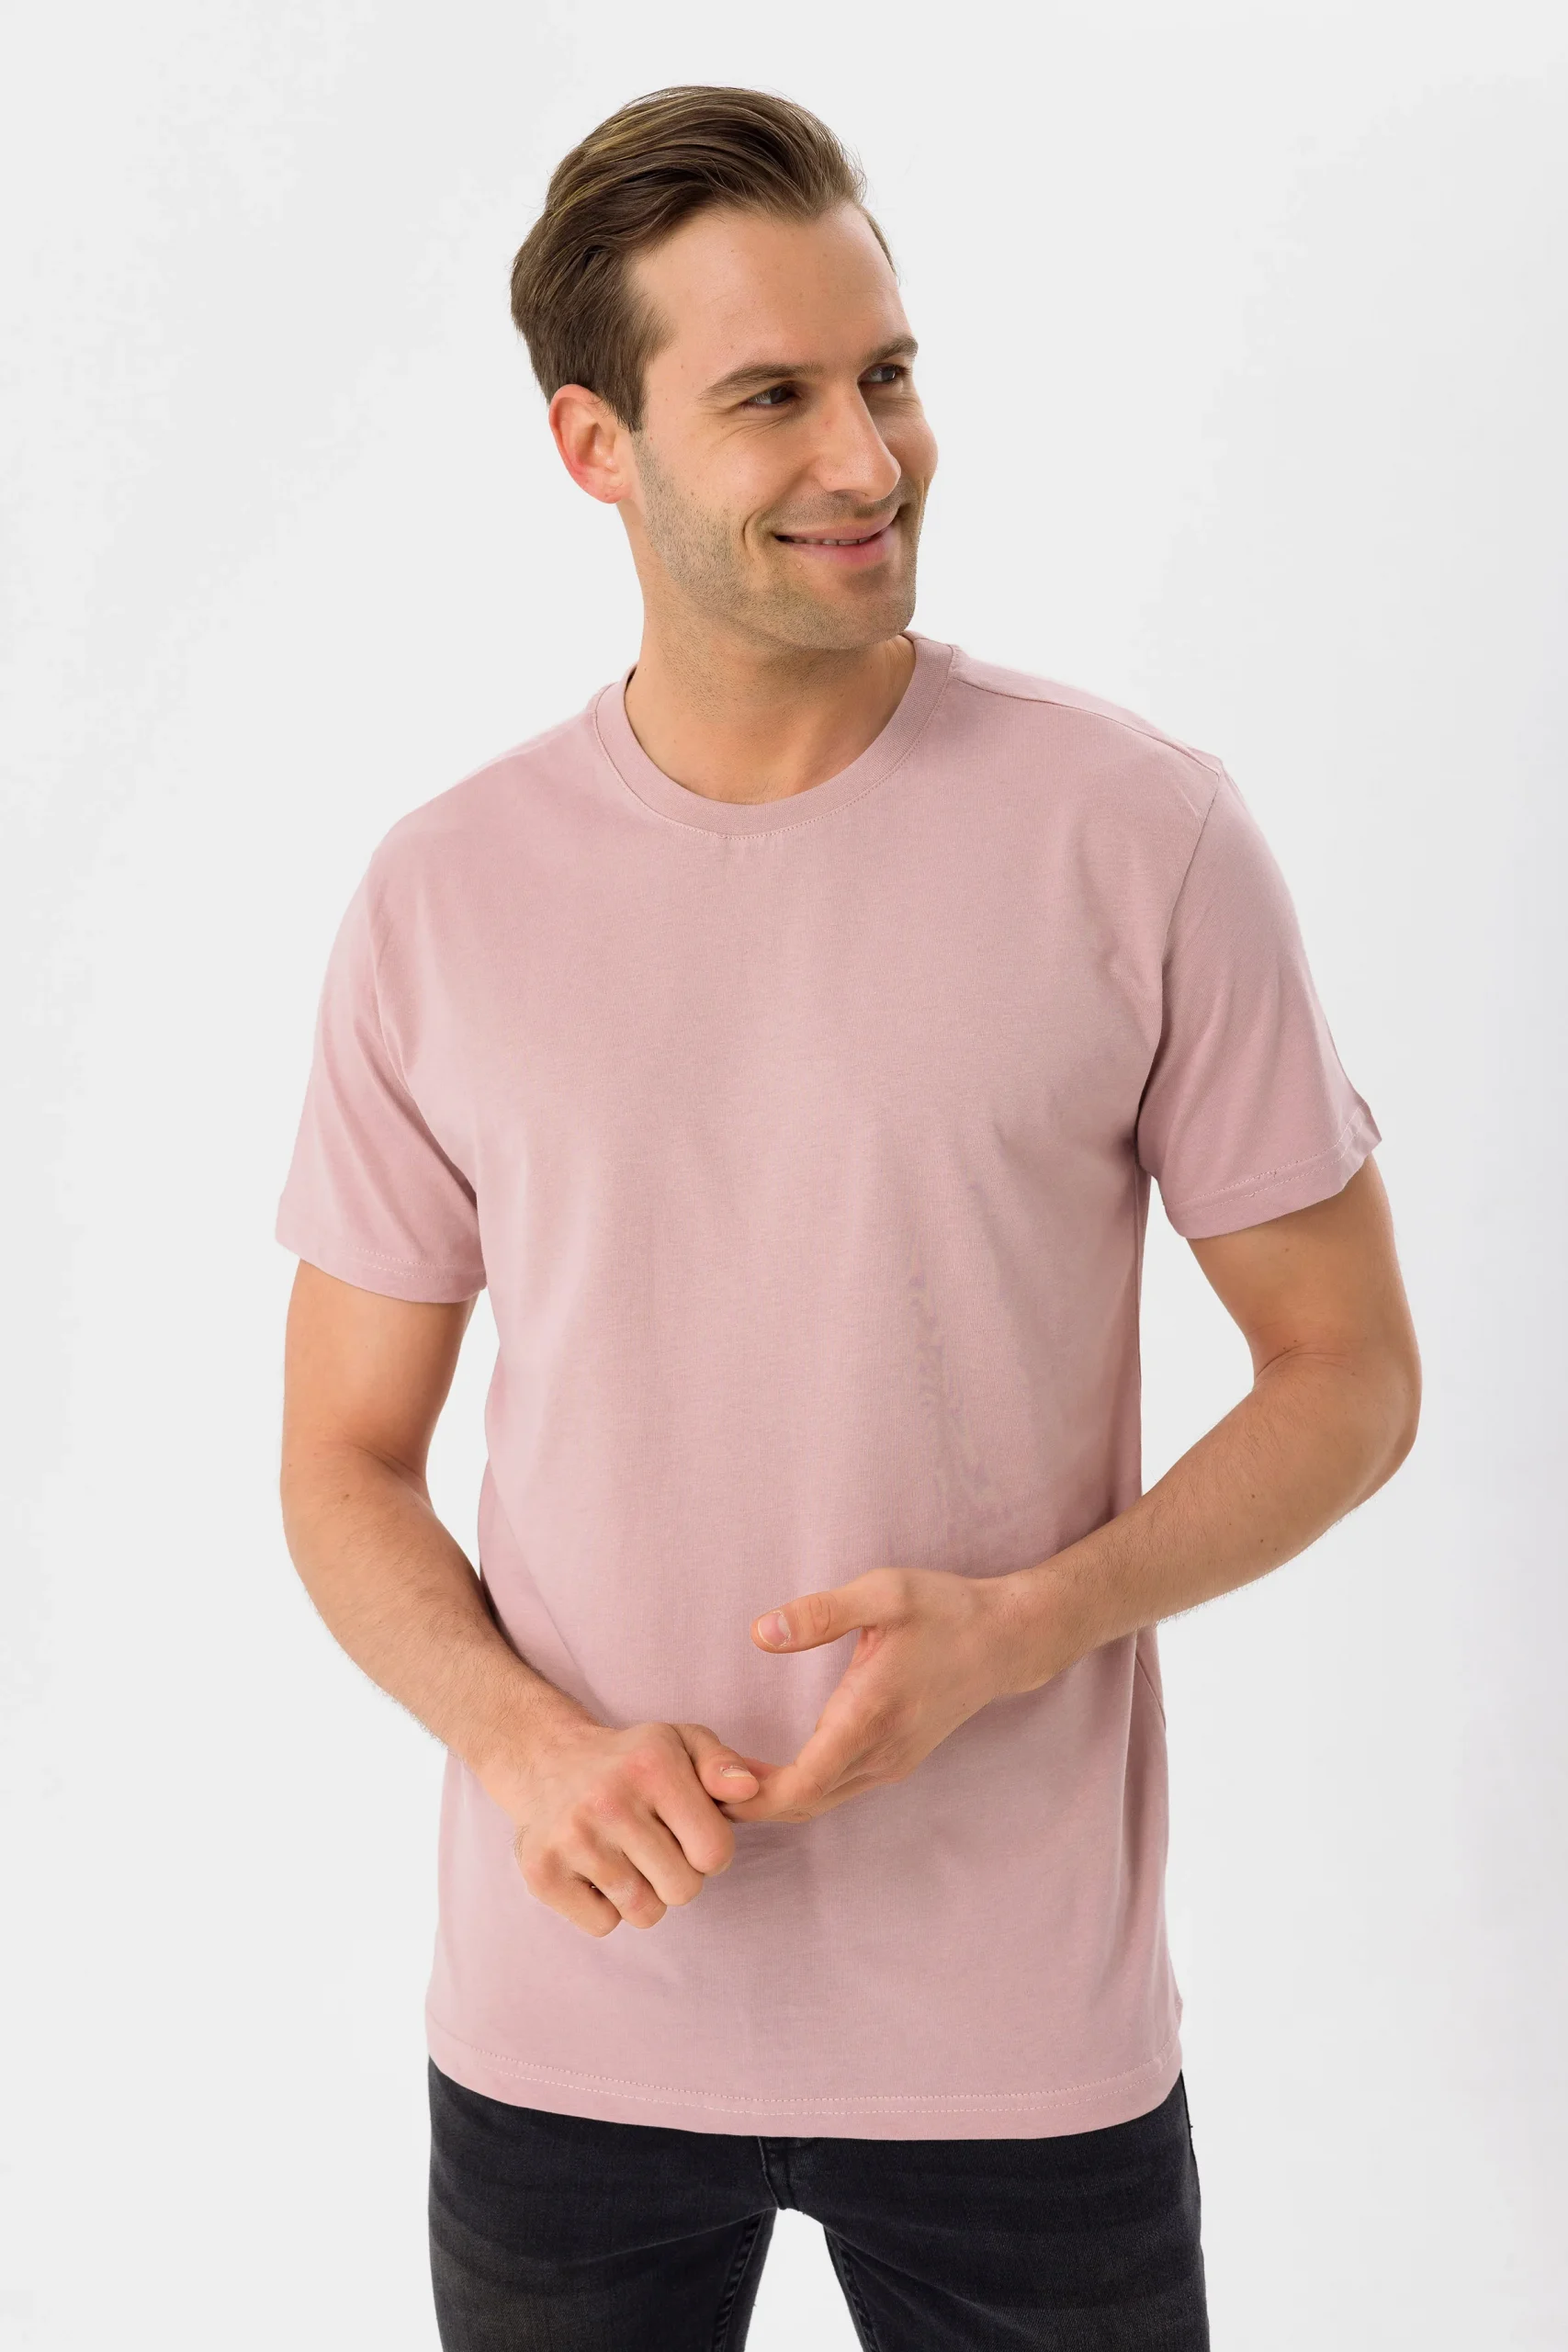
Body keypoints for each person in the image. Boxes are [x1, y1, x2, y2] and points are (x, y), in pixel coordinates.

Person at [274, 83, 1421, 2352]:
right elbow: (339, 1454)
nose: (868, 458)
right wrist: (523, 1740)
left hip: (1018, 2038)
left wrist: (1030, 1622)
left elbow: (1351, 1374)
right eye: (771, 397)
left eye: (886, 374)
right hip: (568, 2024)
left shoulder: (1139, 836)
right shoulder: (443, 894)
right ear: (593, 446)